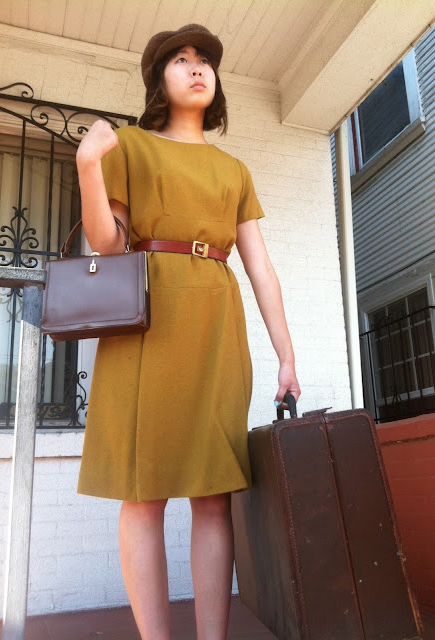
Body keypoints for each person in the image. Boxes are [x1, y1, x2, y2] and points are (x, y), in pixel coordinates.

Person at [75, 23, 300, 640]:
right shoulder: (130, 147)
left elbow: (261, 269)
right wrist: (89, 167)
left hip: (217, 330)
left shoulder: (234, 170)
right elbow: (107, 245)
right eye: (180, 59)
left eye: (204, 59)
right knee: (143, 493)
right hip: (145, 326)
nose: (196, 67)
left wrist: (286, 356)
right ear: (159, 80)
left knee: (213, 493)